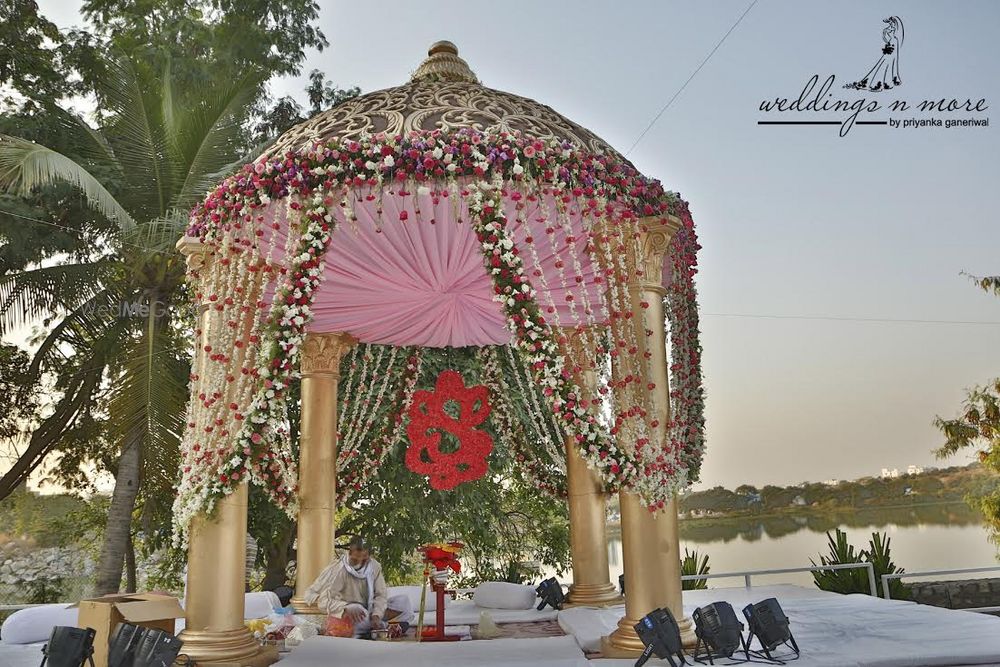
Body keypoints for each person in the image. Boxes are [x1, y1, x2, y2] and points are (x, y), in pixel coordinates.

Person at [303, 535, 414, 637]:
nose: (360, 563)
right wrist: (346, 608)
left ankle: (378, 626)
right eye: (356, 559)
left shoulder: (374, 567)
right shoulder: (338, 569)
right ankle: (380, 628)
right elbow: (323, 601)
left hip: (369, 611)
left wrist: (376, 615)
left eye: (364, 559)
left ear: (369, 556)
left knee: (404, 603)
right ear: (350, 553)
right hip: (349, 614)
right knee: (362, 614)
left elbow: (380, 595)